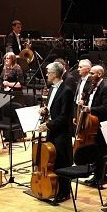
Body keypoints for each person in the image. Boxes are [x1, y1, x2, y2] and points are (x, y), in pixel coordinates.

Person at [38, 61, 74, 201]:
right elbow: (54, 109)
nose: (47, 75)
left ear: (55, 74)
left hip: (61, 133)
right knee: (52, 161)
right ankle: (54, 188)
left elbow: (64, 116)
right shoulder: (52, 88)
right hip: (53, 131)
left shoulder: (67, 91)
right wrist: (45, 110)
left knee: (62, 162)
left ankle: (65, 192)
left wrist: (48, 125)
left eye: (48, 73)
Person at [79, 65, 107, 187]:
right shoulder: (92, 86)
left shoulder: (106, 88)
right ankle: (96, 176)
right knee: (95, 151)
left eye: (92, 73)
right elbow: (90, 101)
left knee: (101, 152)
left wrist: (90, 109)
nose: (90, 76)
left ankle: (102, 177)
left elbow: (106, 107)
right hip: (92, 124)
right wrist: (84, 102)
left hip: (101, 124)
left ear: (99, 74)